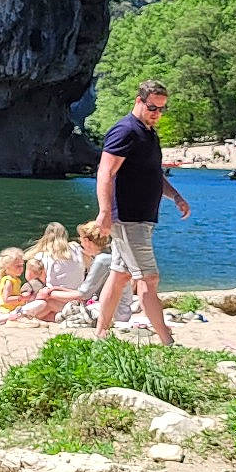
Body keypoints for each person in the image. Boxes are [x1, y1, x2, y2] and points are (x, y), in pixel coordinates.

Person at [93, 80, 191, 345]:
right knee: (149, 278)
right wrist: (104, 212)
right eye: (152, 107)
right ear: (139, 101)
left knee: (120, 274)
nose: (157, 113)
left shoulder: (149, 133)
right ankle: (167, 342)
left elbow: (153, 175)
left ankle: (101, 335)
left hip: (142, 217)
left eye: (161, 109)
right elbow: (105, 172)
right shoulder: (125, 130)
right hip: (127, 217)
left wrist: (176, 196)